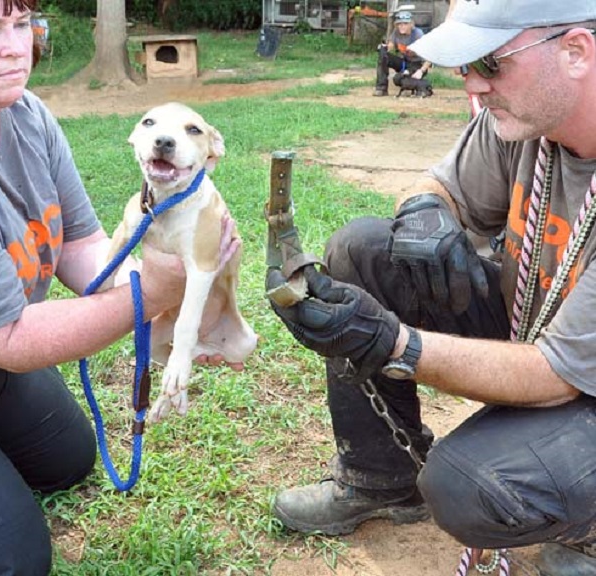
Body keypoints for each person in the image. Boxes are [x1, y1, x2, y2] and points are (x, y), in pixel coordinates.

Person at [0, 1, 238, 574]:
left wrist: (186, 297)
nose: (17, 47)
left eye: (21, 25)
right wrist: (152, 294)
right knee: (7, 557)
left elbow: (79, 244)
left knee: (67, 461)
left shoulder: (23, 112)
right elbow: (9, 341)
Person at [267, 1, 596, 574]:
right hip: (541, 329)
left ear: (575, 52)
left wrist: (393, 344)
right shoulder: (528, 122)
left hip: (575, 378)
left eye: (489, 62)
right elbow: (438, 185)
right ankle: (381, 476)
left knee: (467, 485)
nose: (470, 81)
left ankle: (586, 528)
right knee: (360, 251)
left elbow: (557, 376)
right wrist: (426, 211)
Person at [373, 10, 432, 97]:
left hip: (418, 64)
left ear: (411, 24)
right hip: (404, 62)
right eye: (399, 24)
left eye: (405, 24)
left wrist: (421, 71)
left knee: (398, 79)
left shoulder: (418, 35)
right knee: (383, 55)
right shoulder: (396, 32)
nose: (402, 26)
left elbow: (430, 56)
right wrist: (384, 48)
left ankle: (423, 86)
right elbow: (391, 45)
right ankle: (381, 88)